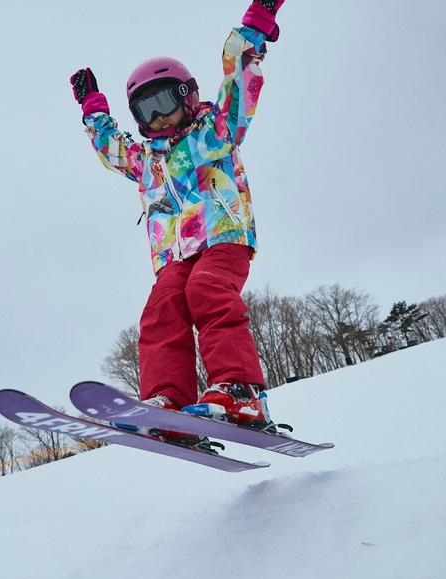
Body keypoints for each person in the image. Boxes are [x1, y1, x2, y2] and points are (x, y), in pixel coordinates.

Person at [69, 0, 285, 449]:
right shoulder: (146, 160)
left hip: (223, 236)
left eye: (164, 102)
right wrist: (93, 106)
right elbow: (111, 148)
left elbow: (238, 84)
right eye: (145, 112)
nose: (158, 118)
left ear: (186, 96)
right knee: (162, 308)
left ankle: (242, 390)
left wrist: (255, 27)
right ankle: (166, 399)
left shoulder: (216, 131)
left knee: (206, 291)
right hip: (173, 254)